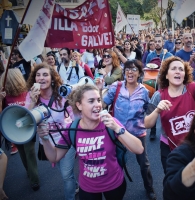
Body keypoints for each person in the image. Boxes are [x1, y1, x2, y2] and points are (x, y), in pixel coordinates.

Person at [37, 84, 144, 200]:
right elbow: (54, 157)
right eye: (91, 101)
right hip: (88, 188)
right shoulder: (72, 129)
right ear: (79, 105)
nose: (97, 105)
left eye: (98, 100)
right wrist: (45, 139)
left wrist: (117, 128)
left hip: (114, 184)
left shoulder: (110, 123)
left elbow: (139, 149)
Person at [144, 56, 195, 173]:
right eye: (173, 69)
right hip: (169, 147)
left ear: (185, 74)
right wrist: (157, 110)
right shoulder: (159, 95)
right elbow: (147, 123)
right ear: (166, 75)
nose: (178, 71)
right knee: (173, 180)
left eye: (181, 69)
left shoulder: (193, 88)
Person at [101, 60, 157, 200]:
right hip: (117, 133)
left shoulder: (145, 91)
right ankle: (115, 190)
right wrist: (98, 90)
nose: (130, 72)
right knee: (116, 163)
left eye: (133, 69)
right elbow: (103, 104)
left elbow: (149, 112)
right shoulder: (116, 87)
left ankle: (149, 189)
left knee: (144, 165)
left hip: (138, 133)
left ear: (139, 73)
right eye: (127, 69)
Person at [26, 63, 78, 199]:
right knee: (66, 171)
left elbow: (75, 117)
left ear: (52, 78)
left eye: (45, 75)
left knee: (66, 175)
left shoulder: (62, 95)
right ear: (34, 79)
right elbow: (25, 123)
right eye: (38, 75)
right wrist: (32, 101)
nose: (41, 78)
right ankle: (75, 183)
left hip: (64, 140)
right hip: (47, 143)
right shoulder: (30, 96)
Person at [0, 68, 40, 190]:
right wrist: (0, 100)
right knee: (23, 152)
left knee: (29, 152)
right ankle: (29, 171)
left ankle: (34, 179)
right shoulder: (4, 96)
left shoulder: (27, 92)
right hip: (14, 129)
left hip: (28, 128)